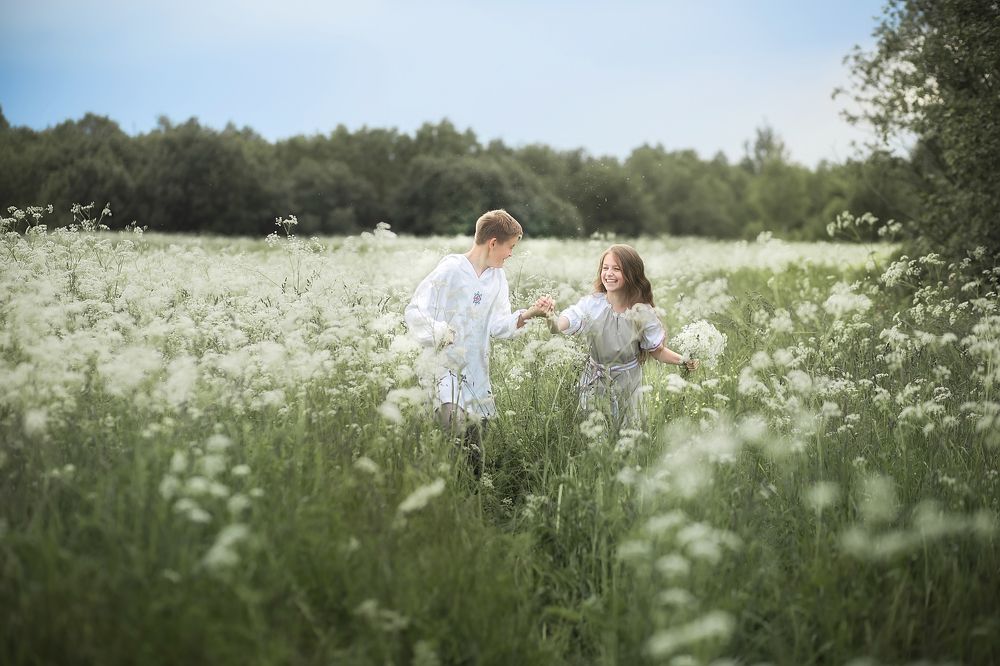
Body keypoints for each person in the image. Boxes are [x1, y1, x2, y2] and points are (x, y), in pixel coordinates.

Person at [405, 209, 553, 476]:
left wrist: (530, 314)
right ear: (493, 243)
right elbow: (415, 311)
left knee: (474, 454)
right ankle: (440, 487)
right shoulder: (451, 269)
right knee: (455, 429)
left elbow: (498, 325)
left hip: (476, 374)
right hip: (444, 370)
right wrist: (440, 331)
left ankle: (470, 496)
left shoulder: (497, 278)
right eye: (510, 247)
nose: (511, 254)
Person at [548, 243, 698, 429]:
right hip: (594, 379)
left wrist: (683, 360)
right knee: (595, 433)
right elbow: (563, 323)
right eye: (605, 268)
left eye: (616, 269)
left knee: (627, 432)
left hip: (628, 383)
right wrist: (550, 317)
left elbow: (657, 350)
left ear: (631, 273)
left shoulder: (643, 312)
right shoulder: (592, 304)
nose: (609, 273)